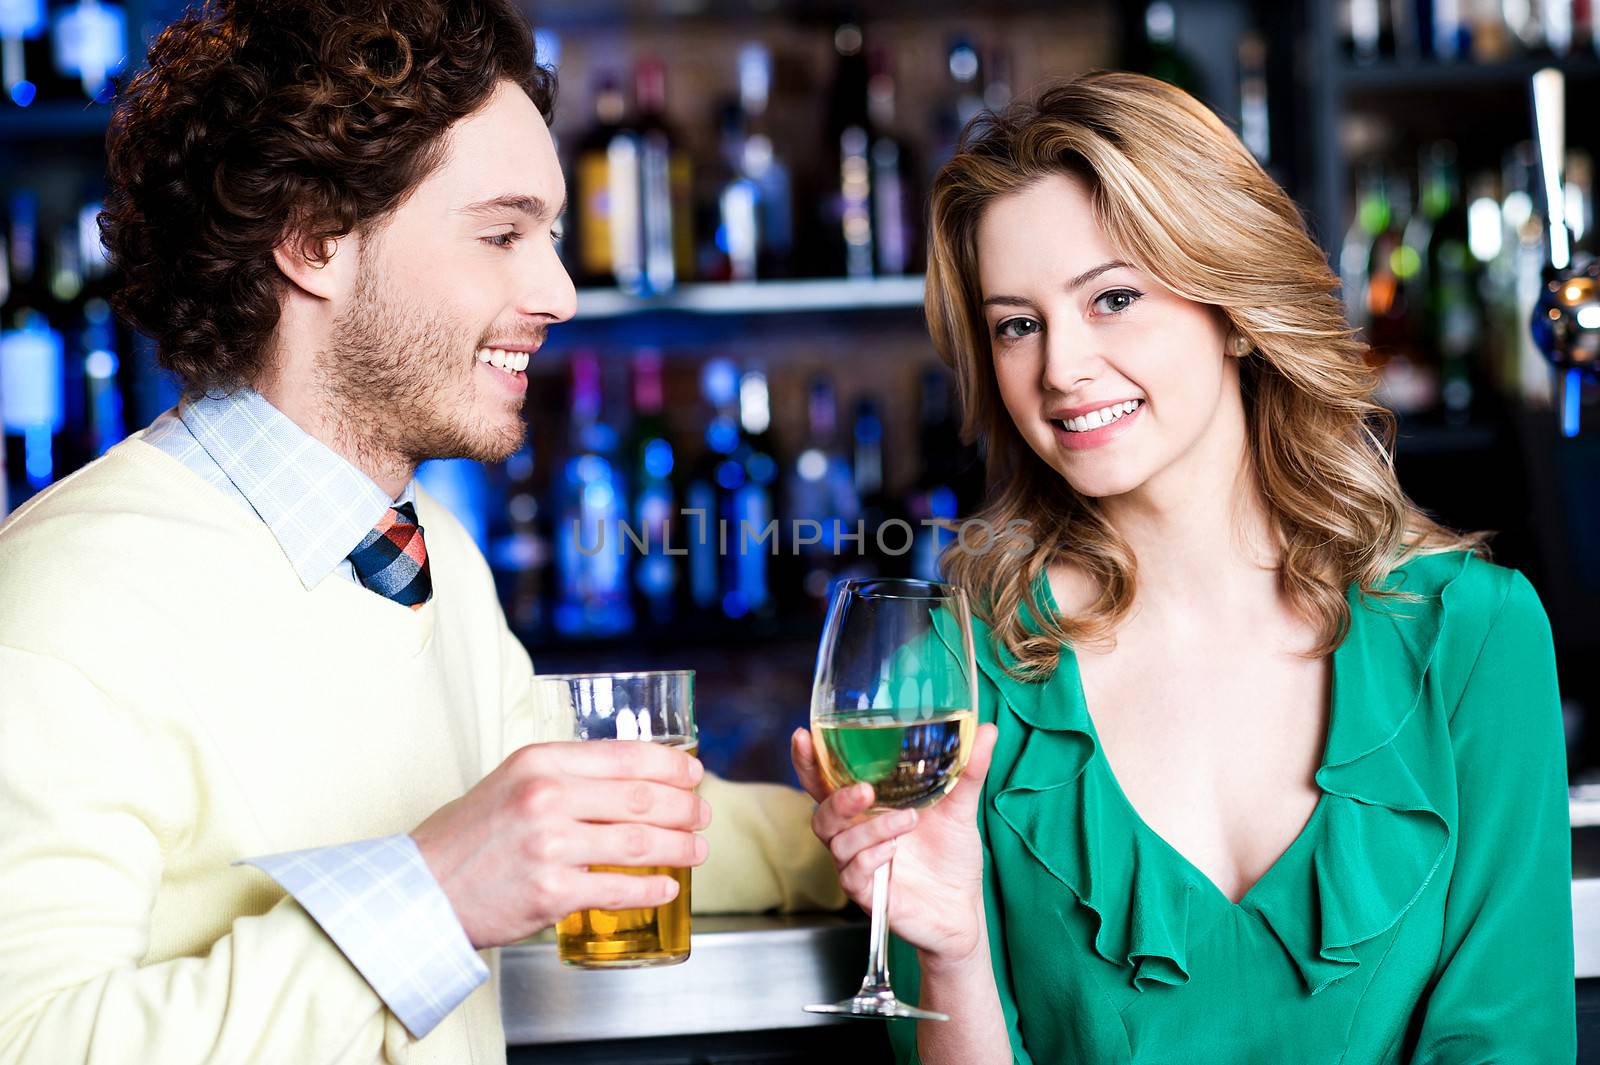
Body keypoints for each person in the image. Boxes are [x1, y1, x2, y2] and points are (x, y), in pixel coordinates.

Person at [0, 2, 840, 1062]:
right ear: (311, 241)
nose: (560, 292)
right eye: (501, 234)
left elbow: (589, 827)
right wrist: (434, 893)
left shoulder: (416, 549)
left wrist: (860, 839)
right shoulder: (62, 602)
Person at [793, 72, 1576, 1063]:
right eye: (1016, 324)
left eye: (1113, 298)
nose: (1063, 367)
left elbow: (1507, 1041)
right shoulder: (962, 671)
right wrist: (948, 951)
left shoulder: (1470, 633)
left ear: (1236, 307)